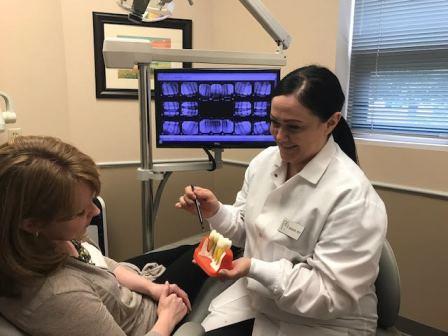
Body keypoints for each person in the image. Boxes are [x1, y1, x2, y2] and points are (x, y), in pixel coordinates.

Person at [176, 65, 387, 336]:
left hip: (323, 322)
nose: (279, 136)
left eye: (293, 127)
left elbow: (329, 295)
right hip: (262, 302)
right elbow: (247, 230)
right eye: (275, 122)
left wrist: (254, 267)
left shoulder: (353, 197)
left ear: (331, 122)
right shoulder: (265, 162)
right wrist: (215, 211)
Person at [0, 135, 208, 336]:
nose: (95, 211)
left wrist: (152, 288)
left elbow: (101, 262)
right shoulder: (61, 295)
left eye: (93, 200)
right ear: (31, 223)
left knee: (191, 249)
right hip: (149, 320)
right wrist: (167, 317)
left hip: (129, 293)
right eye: (80, 212)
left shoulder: (50, 237)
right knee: (204, 254)